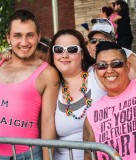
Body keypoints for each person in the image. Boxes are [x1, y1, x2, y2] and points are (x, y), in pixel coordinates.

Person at [0, 9, 59, 160]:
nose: (24, 43)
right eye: (17, 36)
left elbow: (48, 122)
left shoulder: (47, 73)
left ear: (38, 36)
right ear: (8, 38)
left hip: (25, 155)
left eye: (29, 35)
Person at [49, 29, 106, 160]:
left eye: (72, 49)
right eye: (58, 49)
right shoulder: (52, 85)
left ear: (82, 54)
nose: (64, 55)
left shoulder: (98, 74)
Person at [83, 41, 136, 160]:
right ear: (96, 70)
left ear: (127, 66)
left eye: (116, 64)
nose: (109, 70)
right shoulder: (92, 113)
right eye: (102, 65)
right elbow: (89, 156)